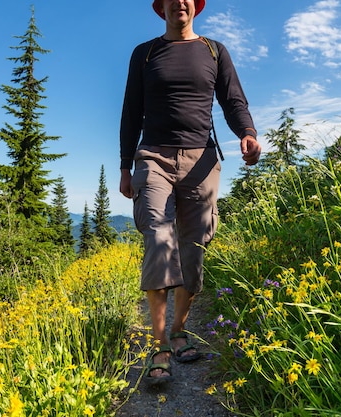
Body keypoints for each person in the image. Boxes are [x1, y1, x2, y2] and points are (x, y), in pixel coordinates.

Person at [119, 0, 261, 384]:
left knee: (193, 247)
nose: (179, 2)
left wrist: (246, 133)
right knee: (158, 236)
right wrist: (124, 166)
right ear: (162, 6)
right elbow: (131, 110)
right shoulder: (145, 53)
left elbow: (233, 100)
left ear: (194, 7)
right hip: (153, 158)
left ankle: (179, 329)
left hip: (202, 159)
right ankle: (161, 344)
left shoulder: (214, 51)